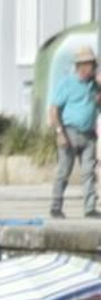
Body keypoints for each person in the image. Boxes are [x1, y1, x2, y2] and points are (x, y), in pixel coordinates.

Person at [49, 46, 101, 219]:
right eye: (90, 65)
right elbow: (54, 109)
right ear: (80, 66)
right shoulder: (67, 83)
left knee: (88, 173)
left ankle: (90, 208)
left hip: (89, 135)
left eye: (94, 65)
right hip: (69, 132)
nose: (93, 69)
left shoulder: (94, 86)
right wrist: (59, 132)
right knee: (64, 171)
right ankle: (56, 206)